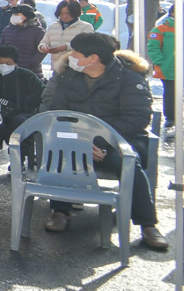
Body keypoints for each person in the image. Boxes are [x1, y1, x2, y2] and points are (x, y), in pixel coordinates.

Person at [37, 33, 168, 250]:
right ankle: (60, 210)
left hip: (121, 140)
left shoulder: (129, 79)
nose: (71, 57)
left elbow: (136, 118)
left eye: (76, 53)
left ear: (93, 58)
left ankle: (147, 224)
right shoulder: (69, 77)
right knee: (61, 154)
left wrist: (102, 142)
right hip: (78, 138)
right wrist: (81, 141)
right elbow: (58, 112)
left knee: (126, 161)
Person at [0, 44, 43, 152]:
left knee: (19, 123)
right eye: (0, 62)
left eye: (8, 63)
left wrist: (21, 106)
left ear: (15, 63)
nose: (4, 66)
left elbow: (39, 95)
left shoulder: (28, 76)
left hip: (21, 112)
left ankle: (18, 154)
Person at [147, 5, 176, 130]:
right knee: (171, 93)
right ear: (172, 13)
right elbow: (153, 47)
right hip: (168, 69)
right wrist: (160, 62)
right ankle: (171, 118)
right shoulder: (160, 29)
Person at [39, 0, 85, 76]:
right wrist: (43, 47)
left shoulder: (85, 27)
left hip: (77, 70)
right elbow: (44, 42)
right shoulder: (53, 26)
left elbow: (86, 45)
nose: (64, 16)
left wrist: (65, 47)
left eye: (67, 13)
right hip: (57, 69)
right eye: (61, 13)